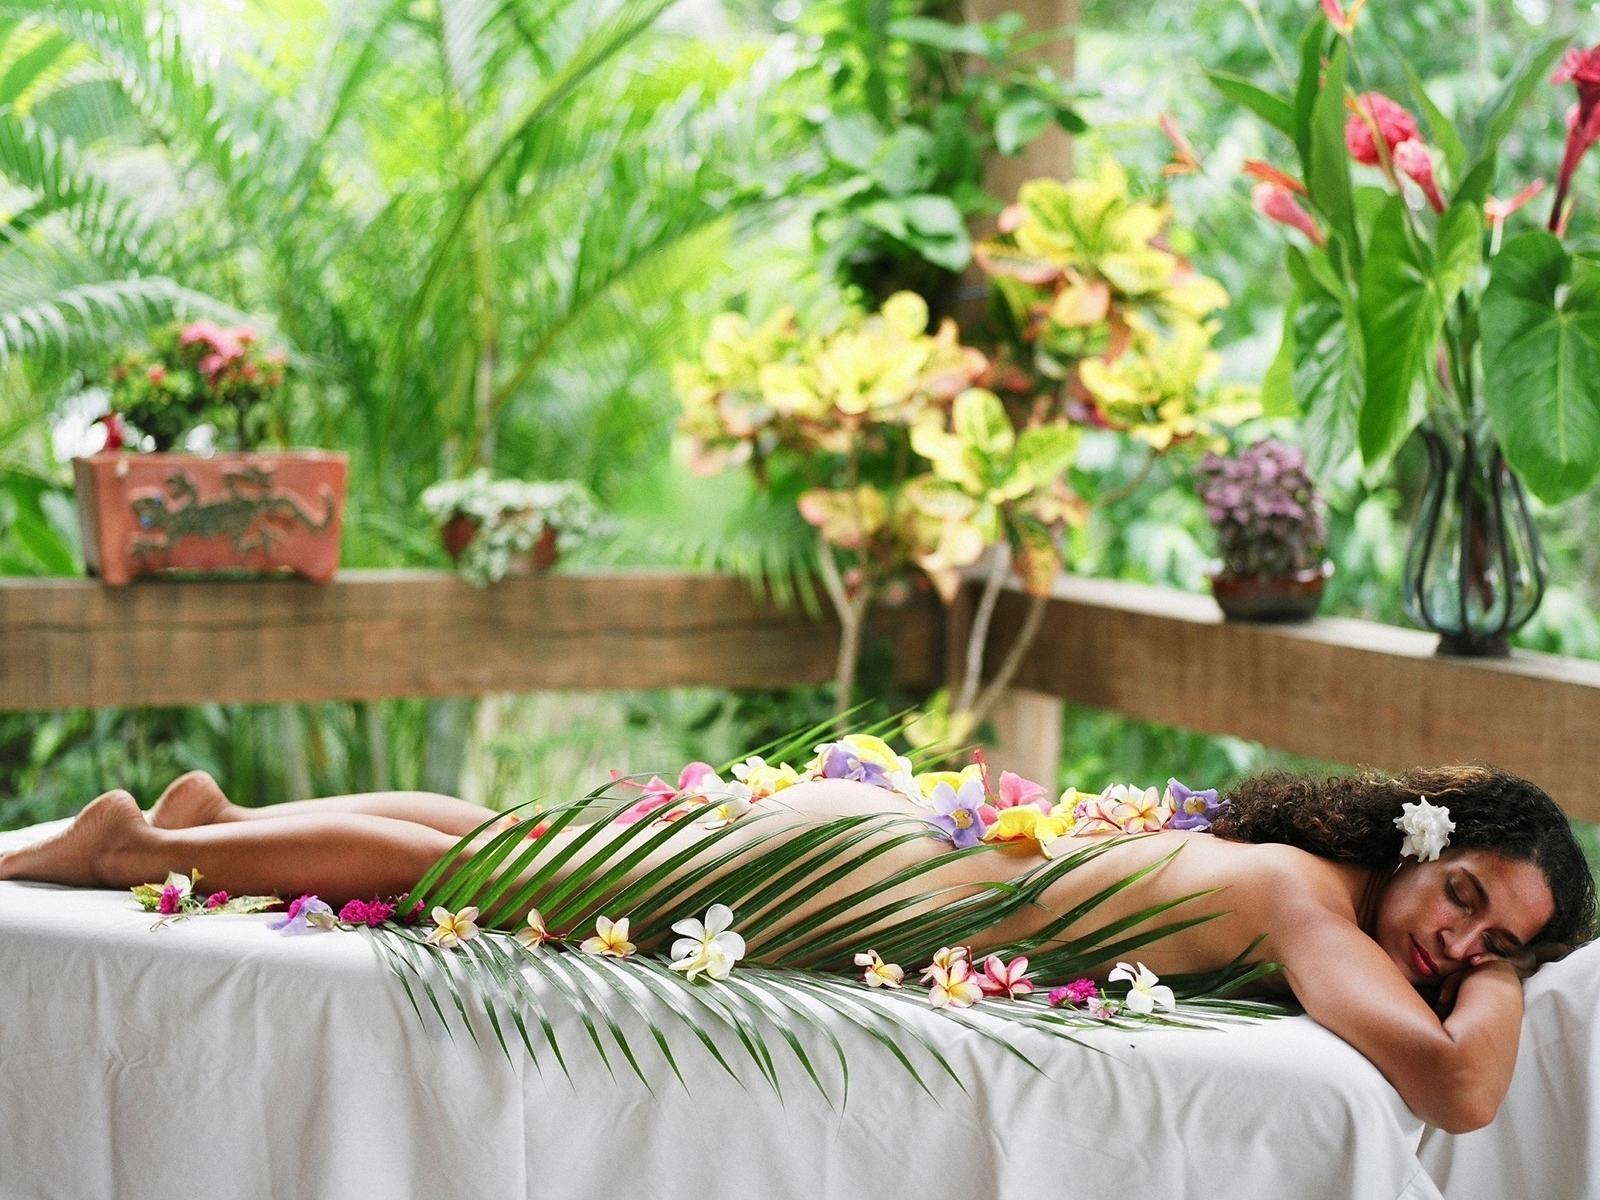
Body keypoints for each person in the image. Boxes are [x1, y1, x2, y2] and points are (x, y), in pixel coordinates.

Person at [0, 760, 1591, 1133]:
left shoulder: (1296, 864)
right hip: (861, 877)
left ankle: (218, 823)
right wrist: (1511, 983)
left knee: (516, 839)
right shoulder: (1313, 899)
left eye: (1491, 944)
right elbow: (1456, 1092)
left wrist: (1492, 950)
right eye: (1468, 901)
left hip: (867, 850)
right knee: (495, 873)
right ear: (1424, 838)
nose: (1456, 947)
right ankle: (143, 850)